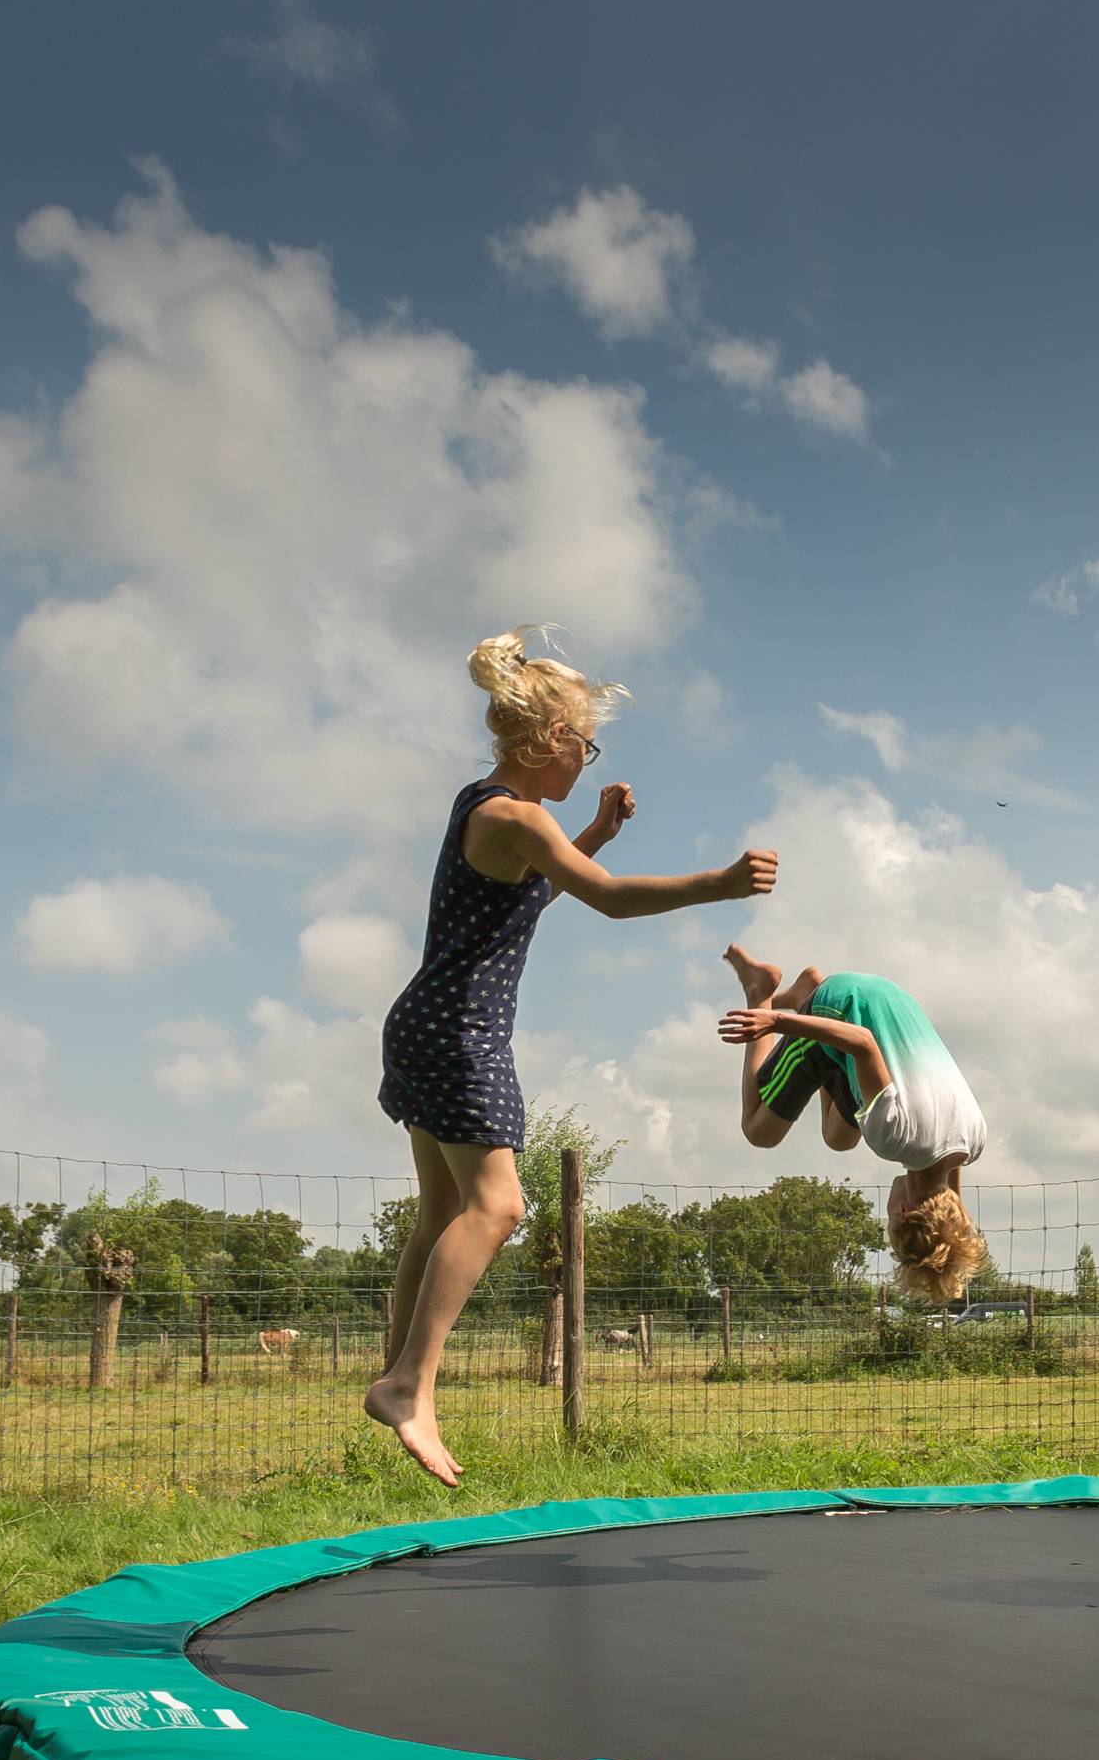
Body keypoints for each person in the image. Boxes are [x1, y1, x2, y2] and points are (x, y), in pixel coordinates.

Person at [366, 631, 776, 1486]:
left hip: (423, 1025)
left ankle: (401, 1379)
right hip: (461, 1034)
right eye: (586, 747)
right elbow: (609, 903)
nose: (588, 761)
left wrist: (596, 829)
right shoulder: (517, 816)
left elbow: (539, 885)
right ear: (548, 740)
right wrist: (722, 882)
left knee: (441, 1211)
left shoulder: (483, 806)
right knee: (500, 1206)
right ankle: (410, 1382)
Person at [714, 949, 990, 1304]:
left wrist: (954, 1234)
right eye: (889, 1222)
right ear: (903, 1212)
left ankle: (803, 991)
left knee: (839, 1138)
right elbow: (862, 1042)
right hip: (842, 1008)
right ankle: (762, 990)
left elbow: (951, 1193)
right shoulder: (894, 1139)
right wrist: (775, 1023)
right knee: (759, 1131)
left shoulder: (973, 1142)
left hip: (896, 1002)